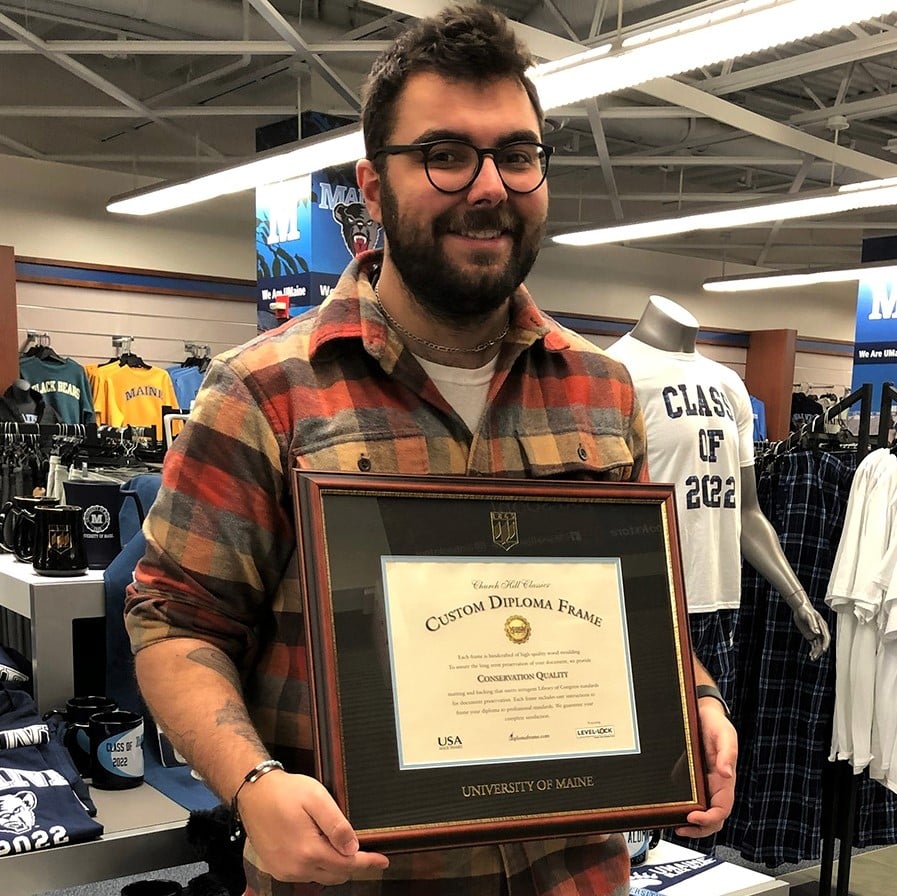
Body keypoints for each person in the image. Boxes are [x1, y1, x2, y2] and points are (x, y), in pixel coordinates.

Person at [125, 7, 737, 895]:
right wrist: (252, 785)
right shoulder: (261, 391)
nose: (488, 186)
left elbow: (634, 614)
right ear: (372, 189)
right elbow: (174, 624)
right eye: (446, 155)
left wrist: (700, 704)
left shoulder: (602, 391)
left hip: (573, 876)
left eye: (516, 154)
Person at [607, 295, 830, 705]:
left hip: (721, 600)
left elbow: (746, 510)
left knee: (713, 747)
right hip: (650, 600)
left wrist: (797, 596)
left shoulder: (727, 383)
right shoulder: (616, 373)